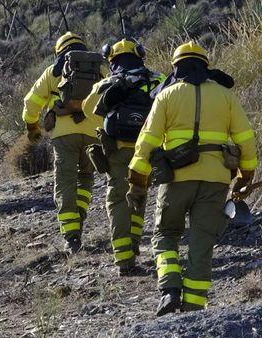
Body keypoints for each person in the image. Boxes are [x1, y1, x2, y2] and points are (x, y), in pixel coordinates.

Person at [128, 42, 258, 315]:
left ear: (176, 67)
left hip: (176, 179)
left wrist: (137, 182)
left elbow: (147, 142)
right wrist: (246, 176)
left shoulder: (166, 96)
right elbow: (246, 139)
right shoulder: (225, 96)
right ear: (205, 65)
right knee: (202, 244)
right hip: (215, 180)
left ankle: (170, 290)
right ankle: (194, 310)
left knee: (165, 234)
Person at [23, 32, 107, 253]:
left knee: (65, 181)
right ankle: (79, 216)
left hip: (63, 135)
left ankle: (71, 236)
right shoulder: (98, 70)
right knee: (86, 177)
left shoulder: (53, 72)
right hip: (92, 132)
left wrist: (33, 127)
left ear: (59, 51)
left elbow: (31, 103)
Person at [87, 39, 165, 275]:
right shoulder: (157, 79)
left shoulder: (108, 82)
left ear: (111, 59)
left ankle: (124, 259)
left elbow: (87, 108)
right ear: (140, 55)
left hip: (119, 151)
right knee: (139, 195)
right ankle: (133, 241)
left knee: (118, 200)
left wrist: (107, 122)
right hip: (147, 149)